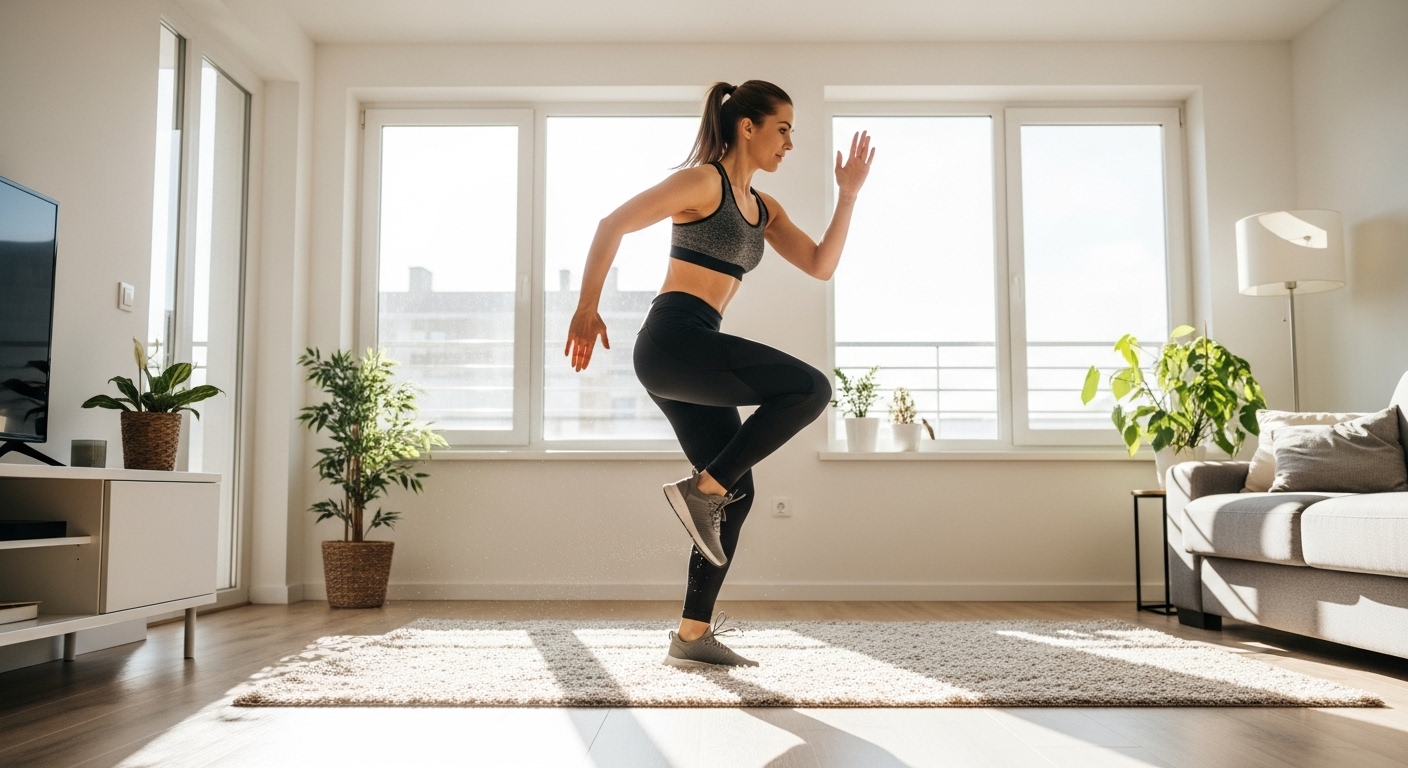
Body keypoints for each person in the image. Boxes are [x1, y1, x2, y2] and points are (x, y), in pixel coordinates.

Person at [564, 80, 874, 667]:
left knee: (739, 491)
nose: (789, 143)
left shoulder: (764, 208)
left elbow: (819, 265)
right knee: (810, 388)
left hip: (695, 345)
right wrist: (586, 306)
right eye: (782, 128)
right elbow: (612, 224)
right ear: (747, 127)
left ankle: (690, 635)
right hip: (673, 340)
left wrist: (848, 195)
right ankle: (700, 491)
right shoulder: (704, 181)